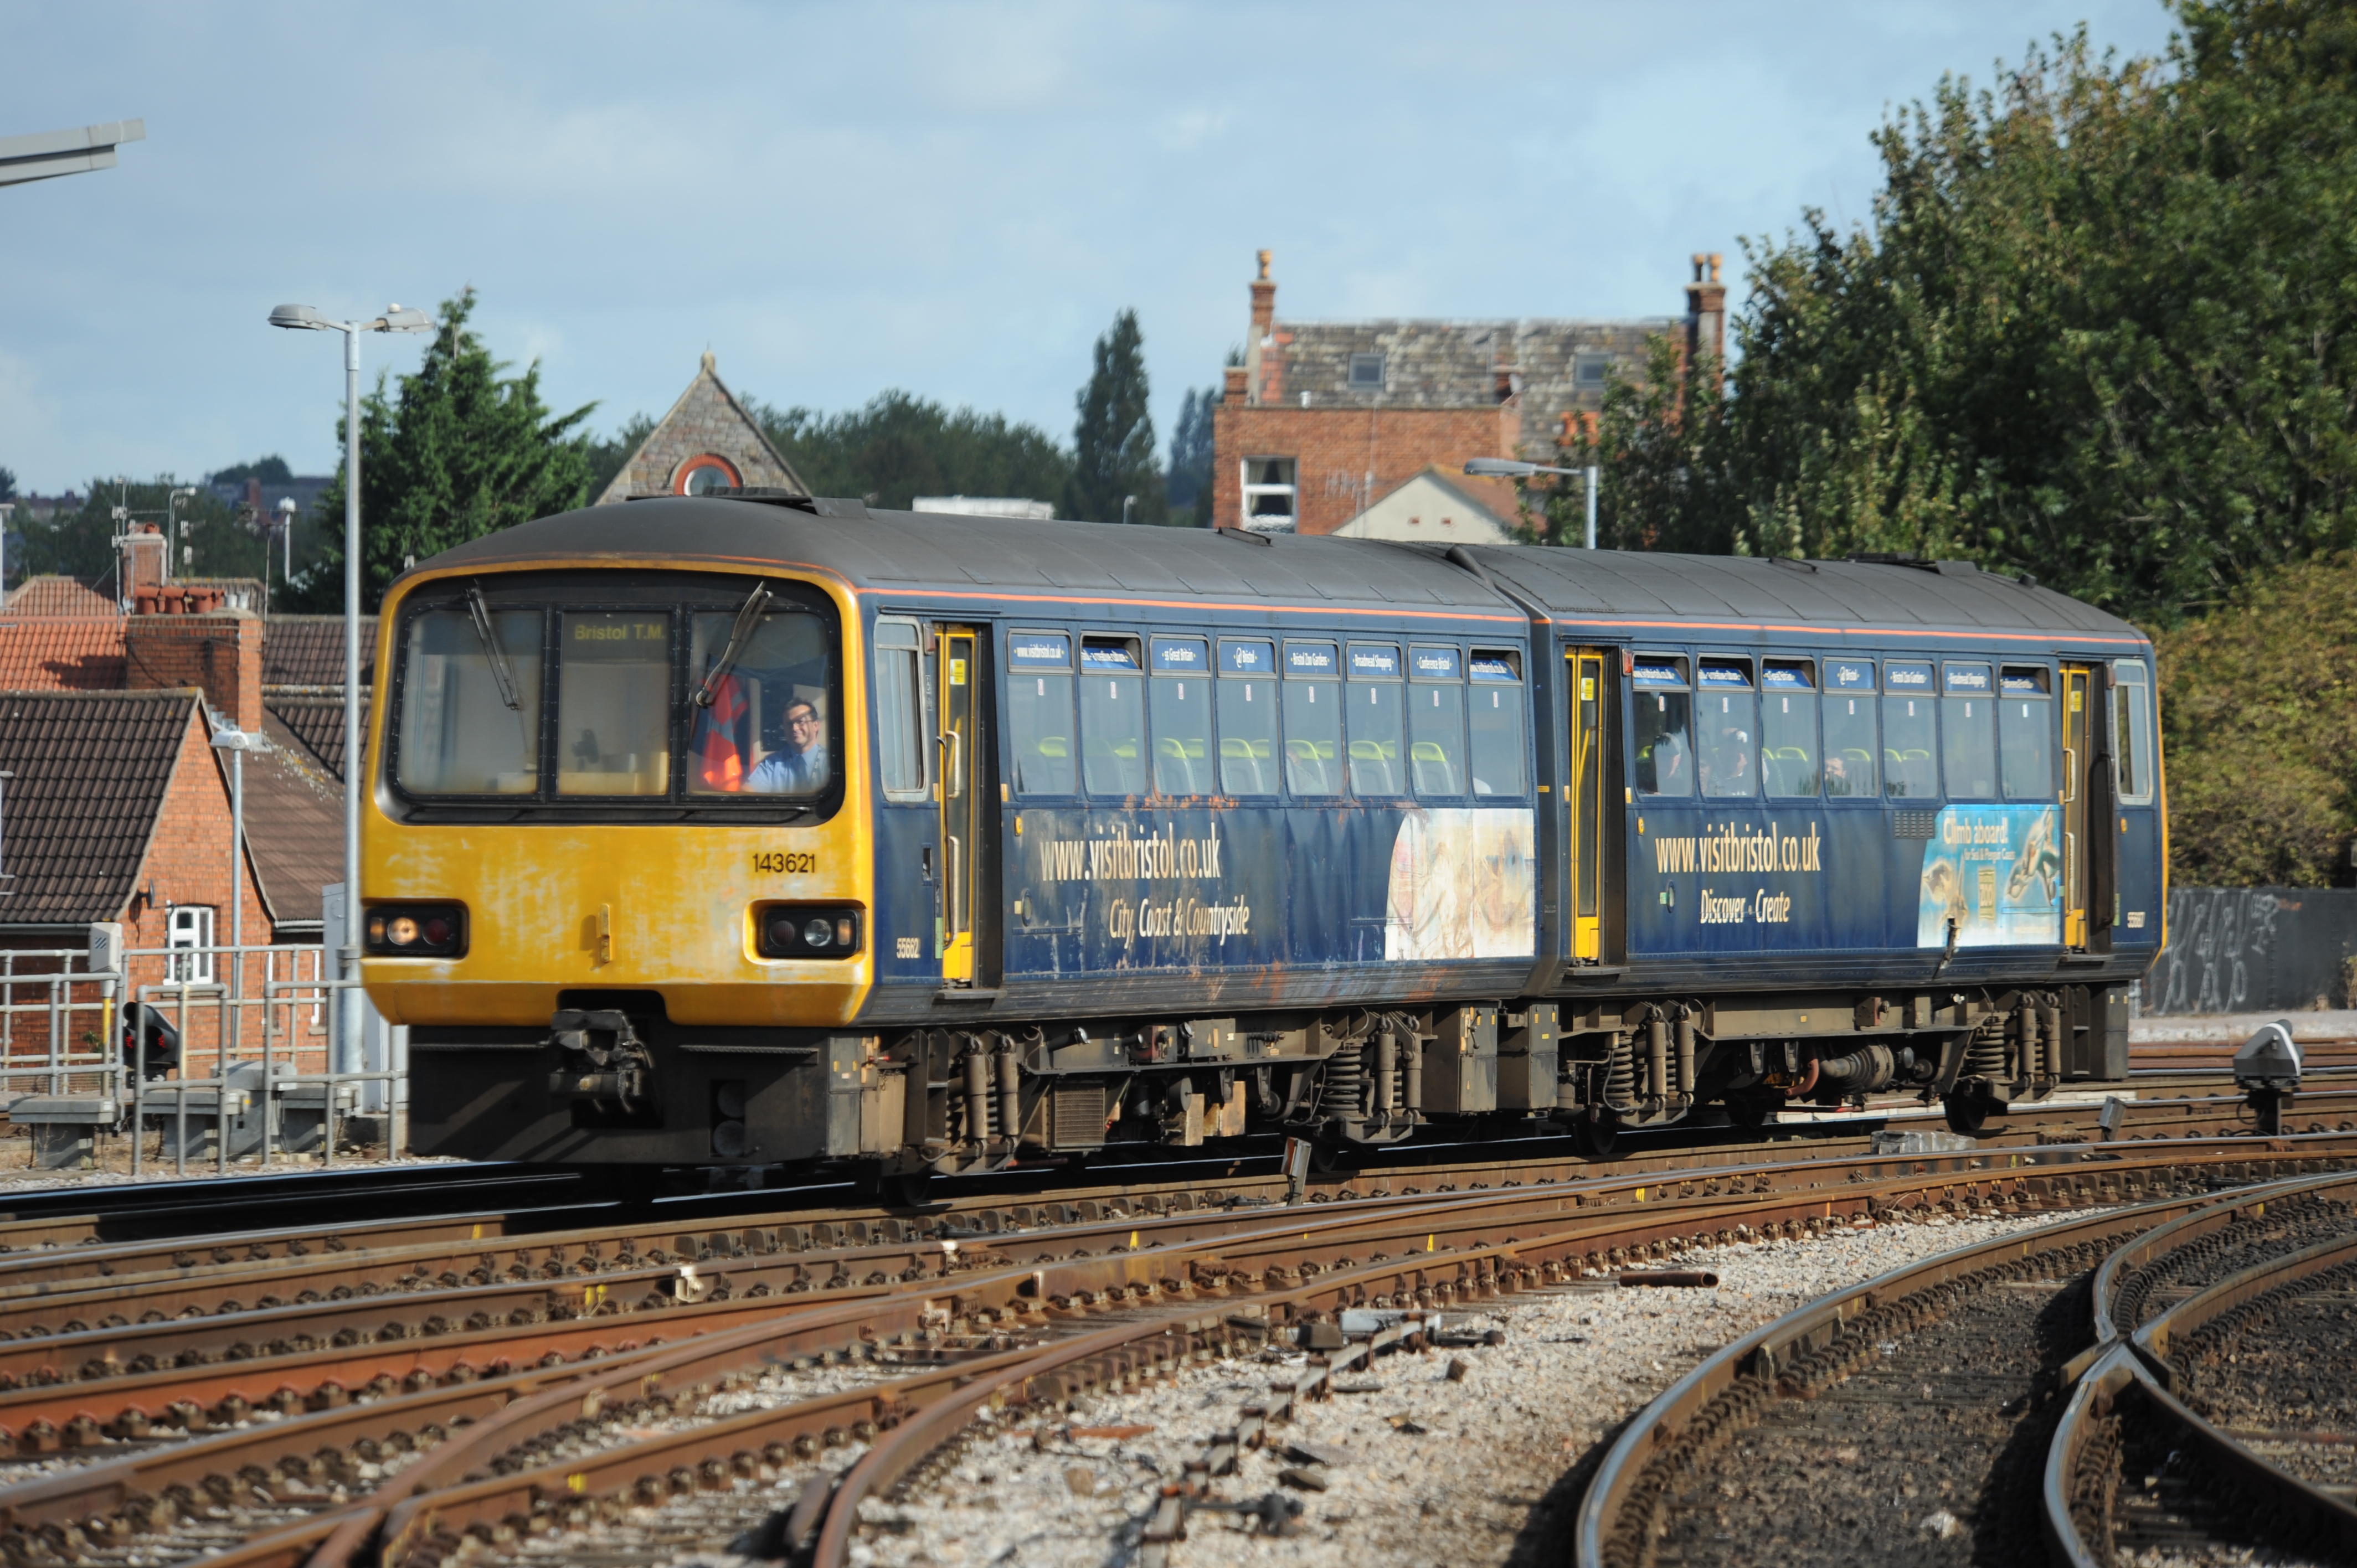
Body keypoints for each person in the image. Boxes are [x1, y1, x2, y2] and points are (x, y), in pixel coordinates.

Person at [748, 698, 828, 793]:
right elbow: (750, 791)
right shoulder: (772, 764)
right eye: (789, 724)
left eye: (800, 722)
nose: (794, 728)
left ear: (815, 725)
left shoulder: (830, 761)